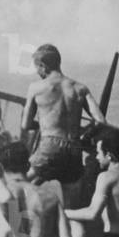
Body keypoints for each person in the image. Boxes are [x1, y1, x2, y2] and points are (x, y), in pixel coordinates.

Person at [21, 44, 105, 205]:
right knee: (71, 206)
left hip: (49, 146)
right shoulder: (79, 88)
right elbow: (101, 121)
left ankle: (19, 228)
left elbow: (25, 124)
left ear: (42, 66)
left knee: (17, 184)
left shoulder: (36, 87)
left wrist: (44, 126)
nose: (38, 73)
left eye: (37, 68)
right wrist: (84, 132)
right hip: (74, 147)